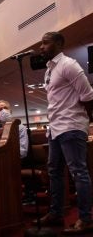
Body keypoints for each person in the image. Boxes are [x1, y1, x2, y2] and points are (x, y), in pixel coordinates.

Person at [33, 32, 93, 235]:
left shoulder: (69, 65)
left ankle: (85, 219)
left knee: (78, 172)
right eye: (41, 43)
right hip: (55, 128)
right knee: (54, 171)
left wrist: (85, 121)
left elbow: (88, 95)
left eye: (45, 42)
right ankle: (56, 213)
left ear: (59, 43)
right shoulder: (49, 70)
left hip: (72, 126)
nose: (41, 47)